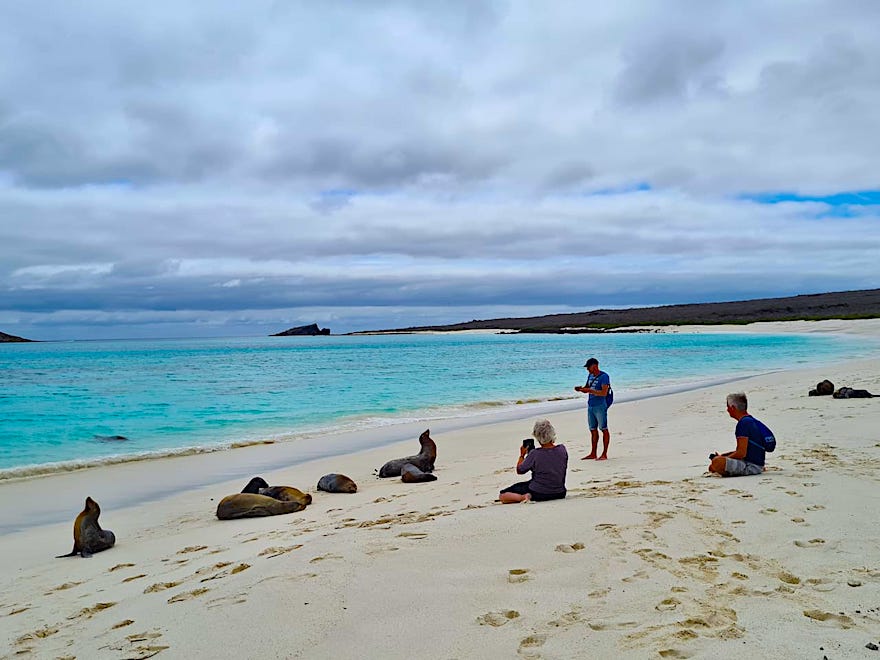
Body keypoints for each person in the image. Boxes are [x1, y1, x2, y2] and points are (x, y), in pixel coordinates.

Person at [499, 419, 568, 503]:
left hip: (538, 492)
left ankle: (523, 497)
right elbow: (551, 463)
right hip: (560, 492)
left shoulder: (535, 454)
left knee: (503, 495)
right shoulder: (562, 449)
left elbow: (520, 470)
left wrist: (522, 455)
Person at [709, 392, 775, 477]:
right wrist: (724, 456)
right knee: (716, 462)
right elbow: (746, 450)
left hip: (751, 465)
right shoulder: (750, 420)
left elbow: (741, 453)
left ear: (732, 408)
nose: (727, 410)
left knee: (716, 463)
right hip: (757, 463)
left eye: (728, 407)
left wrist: (722, 459)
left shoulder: (743, 424)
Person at [574, 357, 611, 460]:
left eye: (588, 367)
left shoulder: (604, 377)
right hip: (591, 405)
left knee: (604, 429)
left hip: (600, 405)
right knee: (593, 430)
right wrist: (581, 389)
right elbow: (587, 388)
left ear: (594, 366)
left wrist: (590, 390)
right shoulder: (590, 375)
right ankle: (593, 453)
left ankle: (604, 454)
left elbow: (603, 393)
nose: (587, 370)